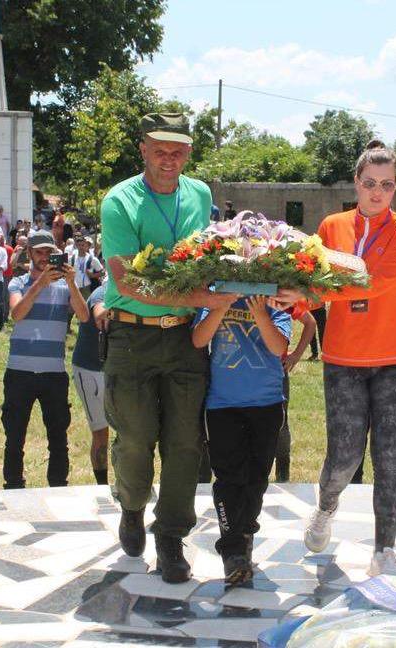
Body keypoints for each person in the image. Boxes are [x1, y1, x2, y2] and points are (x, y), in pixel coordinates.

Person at [100, 112, 237, 583]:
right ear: (143, 147)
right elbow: (128, 281)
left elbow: (210, 255)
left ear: (189, 153)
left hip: (186, 337)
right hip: (131, 335)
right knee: (135, 438)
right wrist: (206, 298)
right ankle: (133, 506)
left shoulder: (199, 194)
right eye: (160, 147)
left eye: (178, 149)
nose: (168, 157)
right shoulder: (120, 201)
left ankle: (170, 537)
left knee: (184, 444)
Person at [299, 141, 396, 577]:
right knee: (344, 456)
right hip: (343, 357)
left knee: (389, 456)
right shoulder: (332, 225)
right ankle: (325, 508)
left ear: (395, 188)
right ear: (356, 182)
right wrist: (294, 301)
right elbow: (310, 274)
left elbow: (381, 280)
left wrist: (317, 290)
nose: (377, 193)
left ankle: (384, 549)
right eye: (369, 183)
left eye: (386, 185)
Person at [193, 295, 291, 586]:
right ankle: (233, 549)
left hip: (267, 402)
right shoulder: (213, 297)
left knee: (257, 478)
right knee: (229, 477)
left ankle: (244, 533)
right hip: (223, 404)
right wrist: (221, 305)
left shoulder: (275, 301)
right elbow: (199, 340)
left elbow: (278, 347)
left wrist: (260, 311)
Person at [1, 230, 89, 489]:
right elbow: (17, 314)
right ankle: (14, 485)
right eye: (38, 252)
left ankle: (58, 486)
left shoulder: (65, 286)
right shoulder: (18, 283)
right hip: (19, 371)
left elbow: (84, 317)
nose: (43, 257)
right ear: (28, 254)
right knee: (15, 436)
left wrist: (72, 283)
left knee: (58, 436)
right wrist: (39, 284)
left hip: (53, 373)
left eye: (48, 252)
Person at [71, 281, 111, 485]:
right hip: (90, 369)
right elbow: (99, 317)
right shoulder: (101, 293)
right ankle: (102, 485)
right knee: (100, 431)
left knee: (127, 430)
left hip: (113, 371)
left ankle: (126, 482)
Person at [274, 308, 317, 482]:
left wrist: (296, 355)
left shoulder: (282, 292)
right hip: (243, 371)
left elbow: (310, 322)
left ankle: (283, 472)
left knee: (281, 423)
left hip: (276, 371)